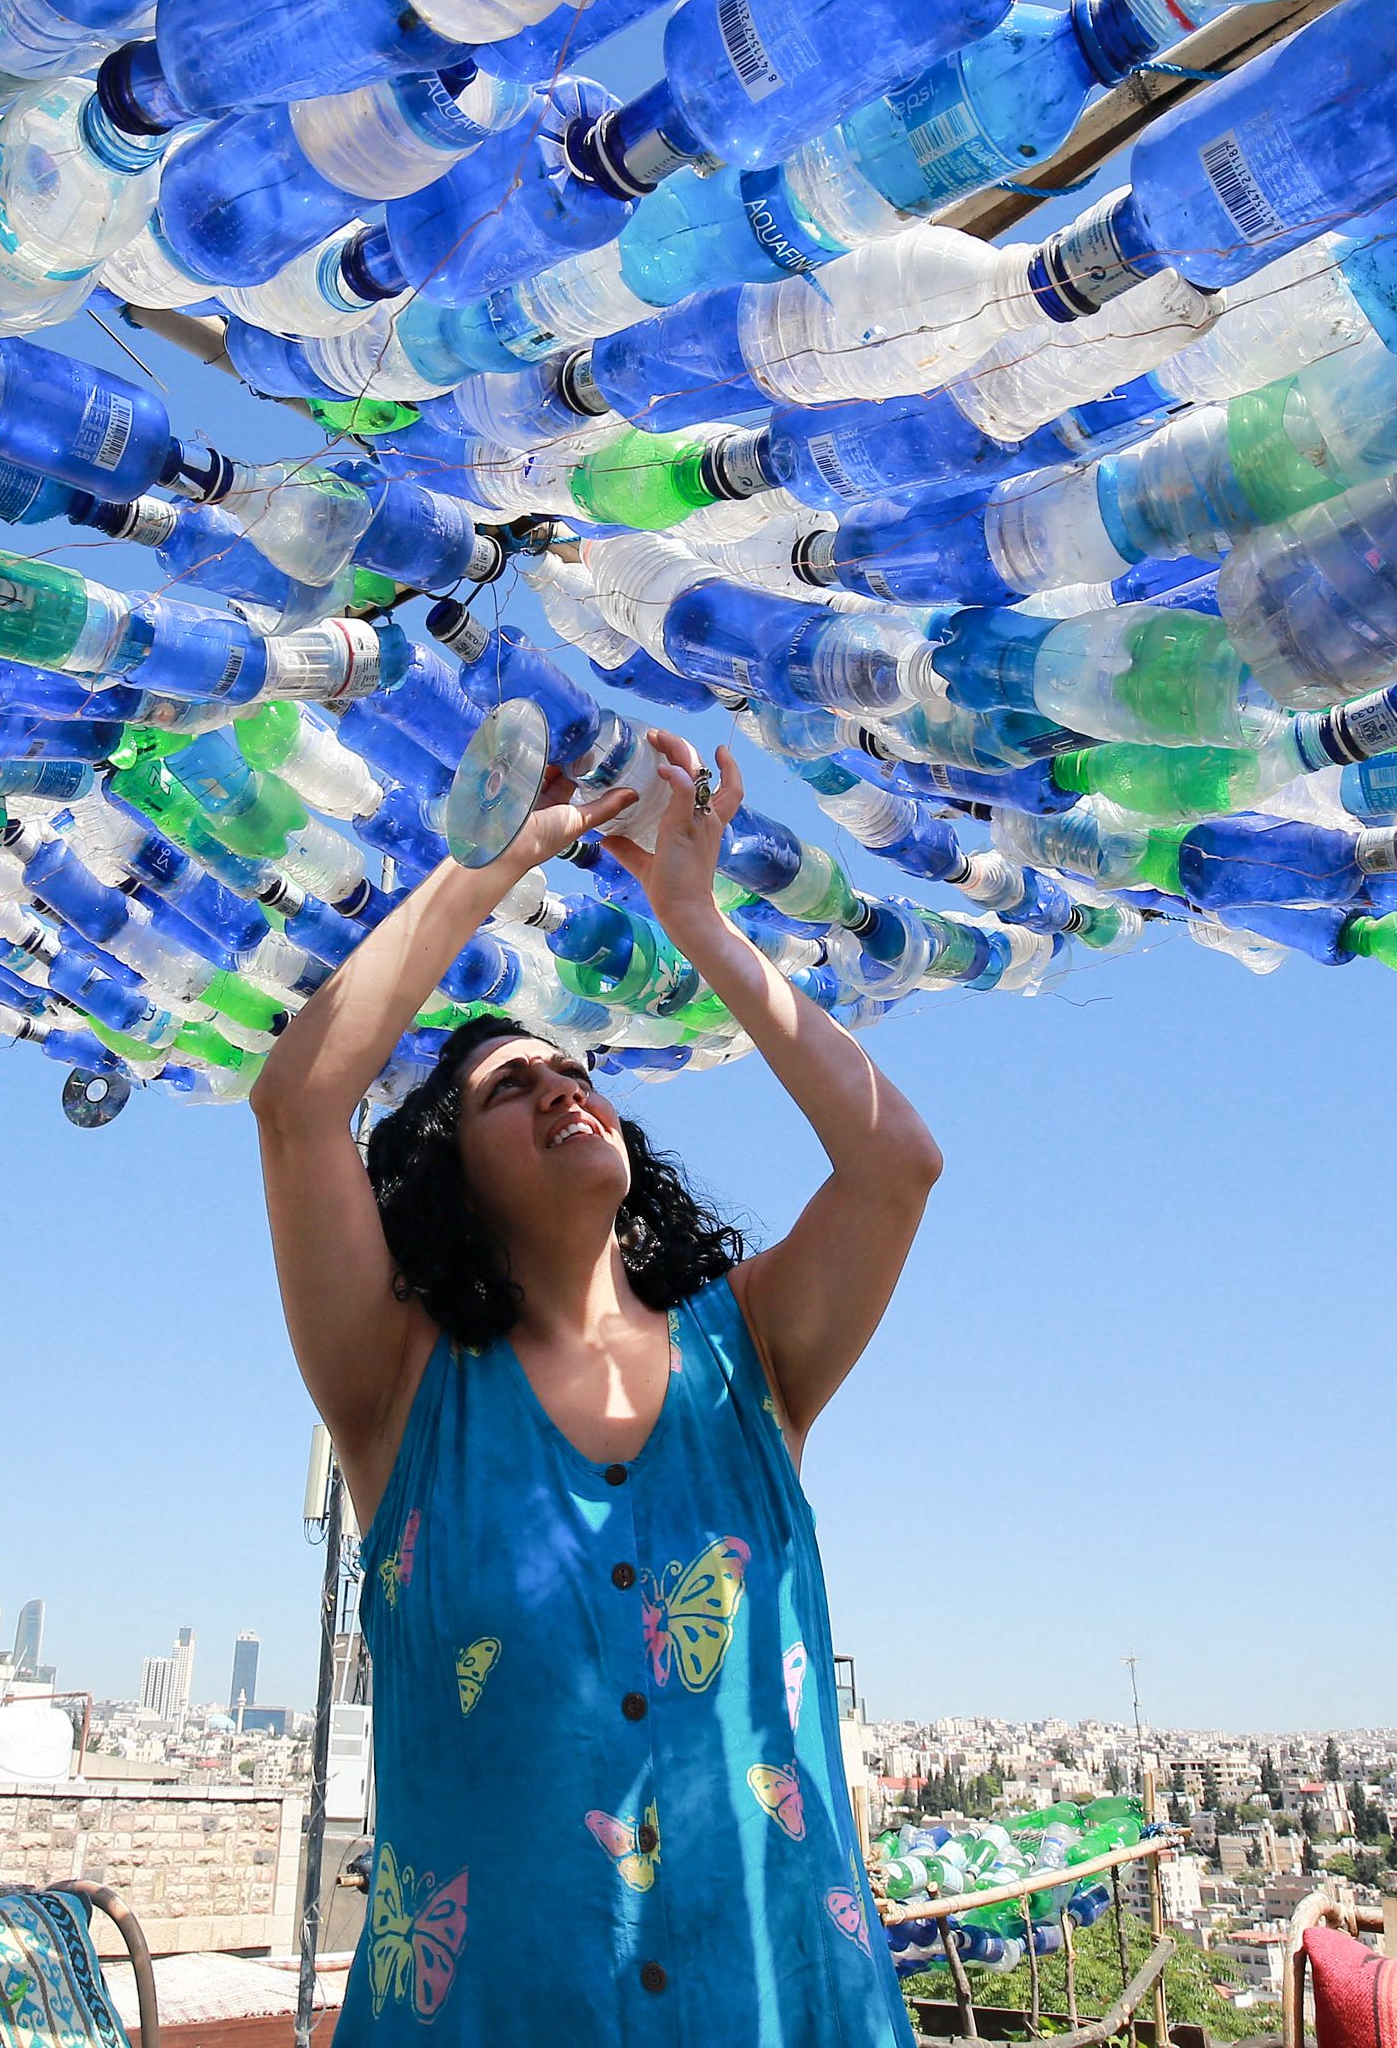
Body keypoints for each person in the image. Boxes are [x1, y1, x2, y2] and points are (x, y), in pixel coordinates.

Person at [250, 726, 942, 2046]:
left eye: (575, 1072)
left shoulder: (751, 1355)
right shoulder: (400, 1390)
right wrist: (502, 859)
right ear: (451, 1179)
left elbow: (895, 1163)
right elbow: (297, 1104)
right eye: (511, 1090)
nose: (563, 1089)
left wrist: (699, 921)